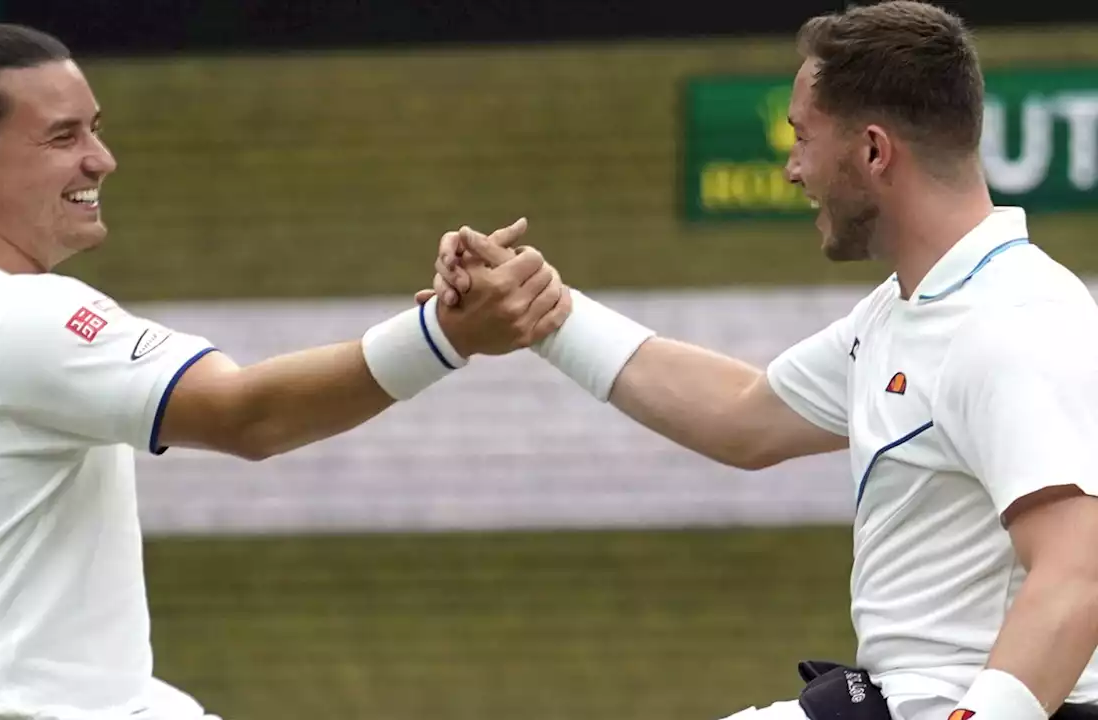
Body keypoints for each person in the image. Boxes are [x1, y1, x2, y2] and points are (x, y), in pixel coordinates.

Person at [0, 23, 571, 720]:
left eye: (95, 126)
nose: (100, 158)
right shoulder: (12, 319)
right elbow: (249, 414)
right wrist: (445, 335)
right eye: (63, 136)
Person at [429, 2, 1098, 719]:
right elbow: (742, 416)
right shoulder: (904, 312)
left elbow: (1078, 572)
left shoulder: (1012, 320)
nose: (791, 169)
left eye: (803, 139)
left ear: (874, 151)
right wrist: (545, 312)